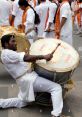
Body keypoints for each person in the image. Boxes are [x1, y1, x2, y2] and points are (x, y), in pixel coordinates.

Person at [0, 34, 63, 117]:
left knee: (23, 102)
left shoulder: (8, 53)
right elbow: (26, 58)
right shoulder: (7, 53)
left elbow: (24, 60)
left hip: (24, 80)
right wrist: (44, 56)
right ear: (6, 44)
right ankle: (56, 114)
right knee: (56, 88)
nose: (16, 43)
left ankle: (1, 103)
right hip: (28, 79)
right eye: (13, 41)